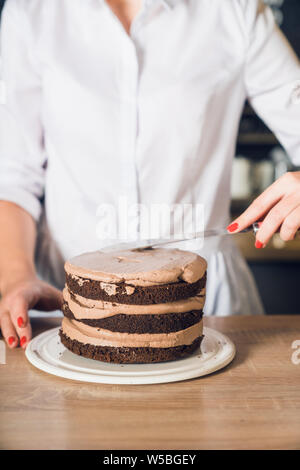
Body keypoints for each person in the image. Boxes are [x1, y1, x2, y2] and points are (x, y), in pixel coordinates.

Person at [0, 0, 299, 349]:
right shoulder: (31, 11)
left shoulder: (236, 9)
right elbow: (13, 175)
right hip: (69, 304)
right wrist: (15, 275)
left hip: (208, 309)